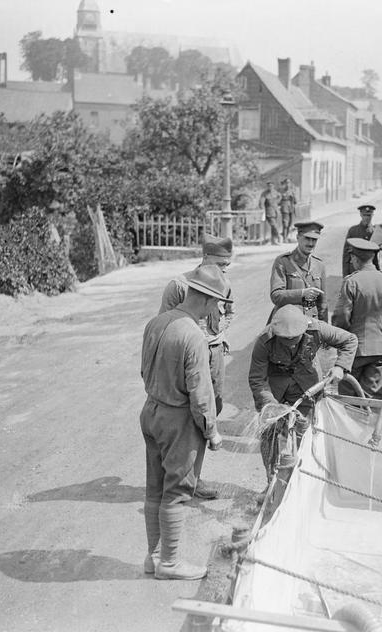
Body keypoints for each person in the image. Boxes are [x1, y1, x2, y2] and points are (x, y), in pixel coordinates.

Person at [140, 266, 231, 580]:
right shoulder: (193, 334)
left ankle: (153, 557)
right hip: (178, 420)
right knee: (177, 493)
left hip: (151, 410)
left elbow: (143, 373)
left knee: (154, 489)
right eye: (216, 303)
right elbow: (201, 393)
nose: (216, 311)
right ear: (205, 300)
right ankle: (170, 563)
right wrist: (212, 432)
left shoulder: (155, 322)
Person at [158, 236, 234, 501]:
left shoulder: (222, 282)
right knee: (188, 415)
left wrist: (221, 336)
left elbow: (230, 312)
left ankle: (192, 475)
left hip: (214, 353)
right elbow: (165, 325)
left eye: (228, 264)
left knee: (211, 411)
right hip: (188, 357)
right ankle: (184, 479)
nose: (225, 269)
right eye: (220, 263)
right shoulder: (179, 286)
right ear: (205, 258)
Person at [249, 305, 357, 485]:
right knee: (269, 431)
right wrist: (273, 406)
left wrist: (340, 366)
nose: (290, 341)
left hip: (305, 382)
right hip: (275, 385)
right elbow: (257, 379)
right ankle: (272, 483)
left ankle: (302, 480)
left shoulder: (317, 328)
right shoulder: (264, 340)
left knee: (305, 430)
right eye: (285, 338)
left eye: (294, 337)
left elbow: (350, 340)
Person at [332, 238, 382, 399]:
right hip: (380, 348)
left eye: (352, 258)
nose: (351, 261)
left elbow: (341, 318)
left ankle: (349, 423)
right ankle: (369, 423)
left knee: (348, 398)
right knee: (371, 397)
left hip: (354, 349)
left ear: (356, 259)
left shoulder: (352, 282)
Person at [269, 221, 328, 322]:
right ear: (298, 237)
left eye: (314, 240)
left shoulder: (319, 265)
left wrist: (324, 328)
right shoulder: (283, 261)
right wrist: (302, 294)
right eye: (307, 238)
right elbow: (276, 296)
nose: (310, 243)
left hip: (312, 323)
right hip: (289, 323)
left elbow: (323, 303)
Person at [342, 204, 380, 277]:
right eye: (364, 215)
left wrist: (378, 271)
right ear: (361, 215)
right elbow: (346, 255)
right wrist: (345, 274)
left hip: (370, 270)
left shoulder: (375, 231)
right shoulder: (353, 231)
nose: (366, 218)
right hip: (354, 270)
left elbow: (375, 257)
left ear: (372, 215)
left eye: (369, 215)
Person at [278, 177, 297, 242]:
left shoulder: (292, 191)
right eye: (286, 183)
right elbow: (278, 201)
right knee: (285, 223)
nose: (287, 184)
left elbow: (295, 201)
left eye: (289, 183)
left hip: (290, 209)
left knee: (290, 223)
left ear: (290, 184)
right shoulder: (281, 191)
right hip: (284, 208)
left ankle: (285, 235)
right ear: (284, 184)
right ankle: (284, 238)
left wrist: (293, 196)